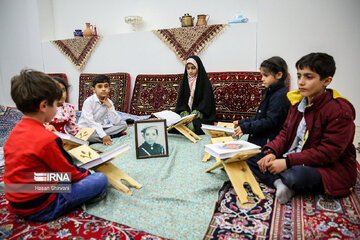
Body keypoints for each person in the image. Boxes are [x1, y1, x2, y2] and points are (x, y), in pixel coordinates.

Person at [247, 53, 357, 204]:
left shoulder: (339, 110)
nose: (301, 82)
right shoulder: (298, 103)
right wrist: (271, 151)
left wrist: (287, 162)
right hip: (294, 157)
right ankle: (280, 183)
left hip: (325, 166)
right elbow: (285, 134)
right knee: (252, 156)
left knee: (297, 175)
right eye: (299, 76)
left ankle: (285, 180)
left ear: (327, 80)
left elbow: (328, 153)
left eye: (309, 77)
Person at [4, 69, 108, 222]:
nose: (57, 108)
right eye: (55, 103)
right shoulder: (48, 138)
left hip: (16, 201)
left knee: (54, 176)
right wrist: (87, 174)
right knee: (100, 179)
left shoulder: (14, 132)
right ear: (44, 105)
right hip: (41, 206)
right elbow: (71, 173)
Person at [233, 56, 290, 147]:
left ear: (279, 75)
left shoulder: (280, 96)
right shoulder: (271, 92)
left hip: (267, 144)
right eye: (262, 75)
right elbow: (260, 117)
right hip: (260, 140)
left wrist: (246, 127)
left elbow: (269, 122)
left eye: (266, 75)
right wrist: (241, 123)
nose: (262, 78)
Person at [78, 75, 127, 145]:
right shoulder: (88, 101)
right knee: (83, 137)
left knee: (123, 125)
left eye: (106, 86)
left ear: (109, 89)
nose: (103, 89)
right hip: (87, 129)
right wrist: (103, 135)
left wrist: (109, 106)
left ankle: (104, 137)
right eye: (100, 86)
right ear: (94, 89)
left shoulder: (109, 102)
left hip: (101, 127)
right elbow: (90, 122)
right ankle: (108, 137)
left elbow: (116, 122)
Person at [174, 55, 216, 135]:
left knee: (194, 125)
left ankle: (188, 130)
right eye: (188, 68)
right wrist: (185, 114)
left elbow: (206, 103)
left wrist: (193, 115)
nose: (190, 71)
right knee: (175, 126)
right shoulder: (184, 82)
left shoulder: (204, 83)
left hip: (200, 115)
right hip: (186, 115)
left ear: (198, 68)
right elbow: (181, 102)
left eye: (193, 68)